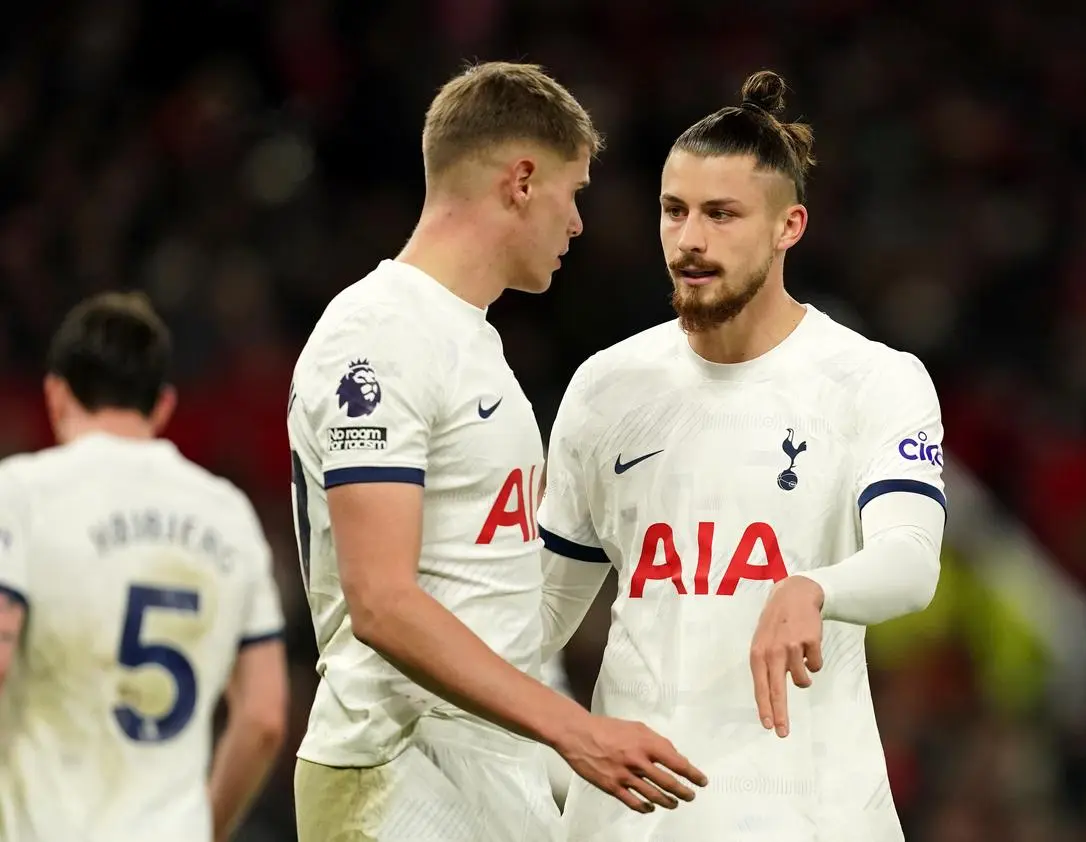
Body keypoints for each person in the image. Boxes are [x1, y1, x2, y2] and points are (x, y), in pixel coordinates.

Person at [287, 61, 706, 842]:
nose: (579, 223)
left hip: (485, 761)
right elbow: (381, 601)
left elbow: (495, 603)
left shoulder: (471, 343)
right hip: (394, 766)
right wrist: (573, 729)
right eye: (573, 191)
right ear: (521, 180)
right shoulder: (378, 336)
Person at [537, 69, 946, 841]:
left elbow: (912, 562)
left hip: (804, 814)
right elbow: (544, 611)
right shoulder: (605, 388)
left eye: (721, 215)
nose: (690, 239)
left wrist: (815, 588)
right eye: (674, 211)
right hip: (629, 821)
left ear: (789, 226)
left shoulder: (873, 381)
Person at [0, 292, 289, 842]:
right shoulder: (228, 513)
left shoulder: (21, 494)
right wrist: (205, 827)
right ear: (162, 406)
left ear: (56, 395)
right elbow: (264, 715)